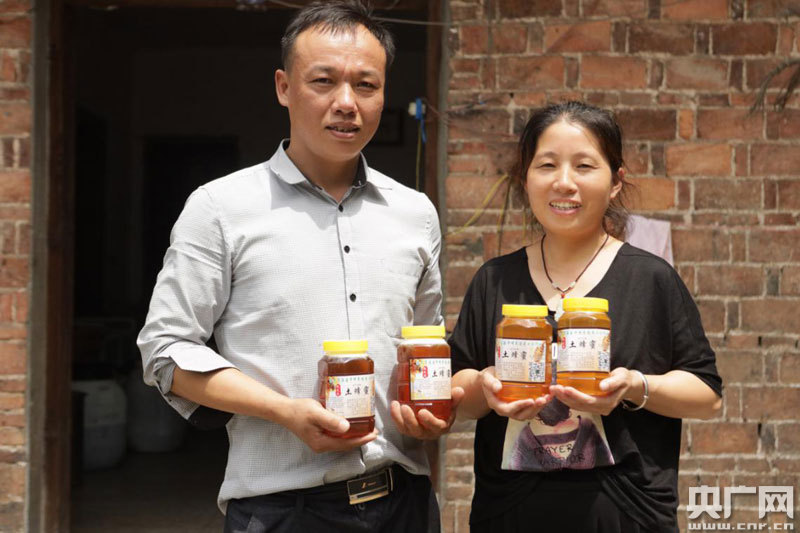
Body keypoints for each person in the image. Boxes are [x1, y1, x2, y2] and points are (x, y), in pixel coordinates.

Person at [137, 2, 461, 532]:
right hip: (283, 510)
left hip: (405, 501)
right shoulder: (221, 207)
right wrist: (283, 411)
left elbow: (424, 343)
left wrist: (429, 411)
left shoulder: (415, 213)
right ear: (284, 87)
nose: (346, 103)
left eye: (366, 85)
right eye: (324, 81)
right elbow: (165, 350)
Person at [450, 101, 722, 532]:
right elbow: (457, 396)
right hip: (509, 512)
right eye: (547, 165)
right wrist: (485, 385)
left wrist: (634, 386)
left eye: (584, 166)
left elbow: (707, 395)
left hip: (627, 511)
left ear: (616, 182)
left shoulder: (650, 278)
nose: (564, 182)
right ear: (525, 179)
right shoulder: (494, 280)